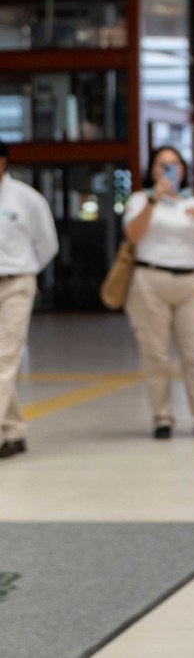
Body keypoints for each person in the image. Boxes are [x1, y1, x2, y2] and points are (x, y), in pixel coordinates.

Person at [123, 145, 194, 440]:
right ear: (152, 170)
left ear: (183, 170)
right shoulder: (140, 200)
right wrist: (153, 200)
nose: (168, 169)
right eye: (161, 164)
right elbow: (133, 235)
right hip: (150, 279)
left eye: (174, 164)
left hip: (190, 283)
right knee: (155, 353)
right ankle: (162, 418)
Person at [0, 140, 59, 460]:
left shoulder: (26, 199)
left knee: (4, 358)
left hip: (16, 283)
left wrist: (28, 272)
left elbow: (47, 243)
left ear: (4, 162)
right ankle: (14, 430)